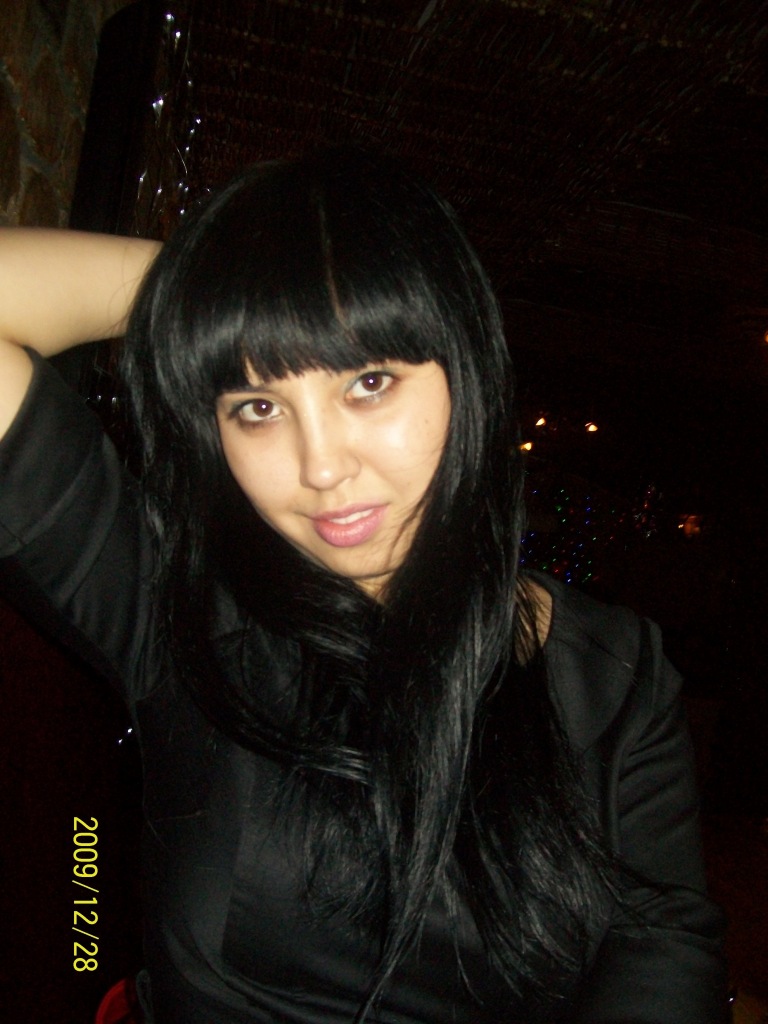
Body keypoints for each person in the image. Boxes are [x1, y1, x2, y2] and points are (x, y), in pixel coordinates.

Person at [0, 149, 727, 1023]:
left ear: (464, 367)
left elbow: (663, 947)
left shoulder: (614, 671)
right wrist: (229, 291)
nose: (321, 468)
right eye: (257, 407)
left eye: (368, 383)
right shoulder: (178, 605)